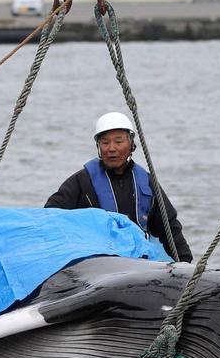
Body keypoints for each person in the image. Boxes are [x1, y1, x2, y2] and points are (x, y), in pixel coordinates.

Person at [46, 112, 193, 262]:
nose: (111, 148)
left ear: (131, 144)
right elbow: (50, 217)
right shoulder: (82, 181)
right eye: (105, 142)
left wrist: (186, 262)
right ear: (98, 147)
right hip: (97, 265)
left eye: (118, 141)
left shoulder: (147, 182)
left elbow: (170, 227)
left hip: (139, 264)